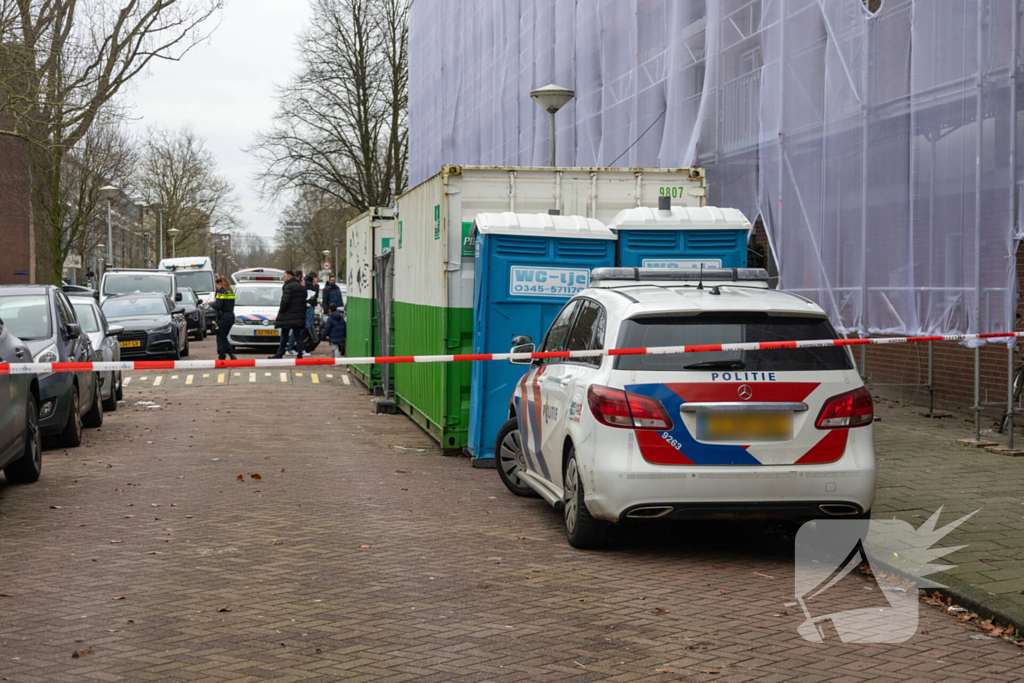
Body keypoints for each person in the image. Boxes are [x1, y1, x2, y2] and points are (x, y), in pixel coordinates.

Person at [270, 271, 307, 359]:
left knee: (284, 335)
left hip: (288, 315)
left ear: (289, 277)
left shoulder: (288, 286)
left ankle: (279, 354)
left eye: (284, 276)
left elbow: (285, 301)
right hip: (298, 315)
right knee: (298, 336)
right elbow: (304, 300)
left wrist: (281, 311)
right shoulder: (301, 287)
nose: (283, 278)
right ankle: (300, 355)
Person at [210, 276, 238, 361]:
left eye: (216, 285)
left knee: (220, 338)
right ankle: (231, 353)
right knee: (223, 336)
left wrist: (212, 304)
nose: (216, 287)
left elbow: (218, 306)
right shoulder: (230, 292)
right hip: (230, 317)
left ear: (220, 284)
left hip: (223, 318)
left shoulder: (221, 293)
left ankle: (222, 357)